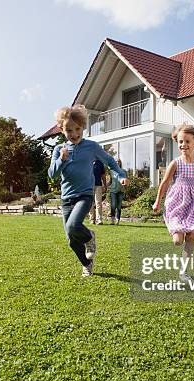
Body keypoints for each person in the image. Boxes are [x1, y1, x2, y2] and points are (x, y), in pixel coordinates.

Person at [48, 105, 129, 277]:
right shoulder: (59, 150)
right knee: (71, 240)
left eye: (78, 129)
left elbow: (110, 161)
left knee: (73, 226)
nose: (74, 134)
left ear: (83, 127)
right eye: (69, 130)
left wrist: (121, 175)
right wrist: (61, 159)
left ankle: (90, 236)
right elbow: (52, 174)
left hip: (84, 195)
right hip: (67, 199)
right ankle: (87, 264)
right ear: (62, 130)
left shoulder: (91, 147)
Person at [152, 124, 194, 281]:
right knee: (177, 241)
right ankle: (176, 232)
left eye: (187, 141)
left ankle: (183, 272)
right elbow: (165, 183)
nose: (183, 145)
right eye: (181, 142)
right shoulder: (175, 163)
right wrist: (157, 201)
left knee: (191, 236)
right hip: (177, 202)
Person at [88, 159, 106, 225]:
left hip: (98, 185)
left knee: (98, 202)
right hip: (89, 185)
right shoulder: (87, 162)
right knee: (90, 203)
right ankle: (92, 219)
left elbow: (103, 175)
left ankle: (99, 219)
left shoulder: (100, 163)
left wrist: (105, 185)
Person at [108, 158, 125, 225]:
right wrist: (106, 185)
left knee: (119, 206)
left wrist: (125, 187)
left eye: (118, 162)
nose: (117, 163)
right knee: (113, 205)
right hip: (113, 190)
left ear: (120, 163)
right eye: (116, 162)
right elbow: (110, 180)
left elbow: (125, 181)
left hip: (120, 190)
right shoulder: (111, 171)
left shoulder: (123, 171)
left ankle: (117, 220)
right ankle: (112, 220)